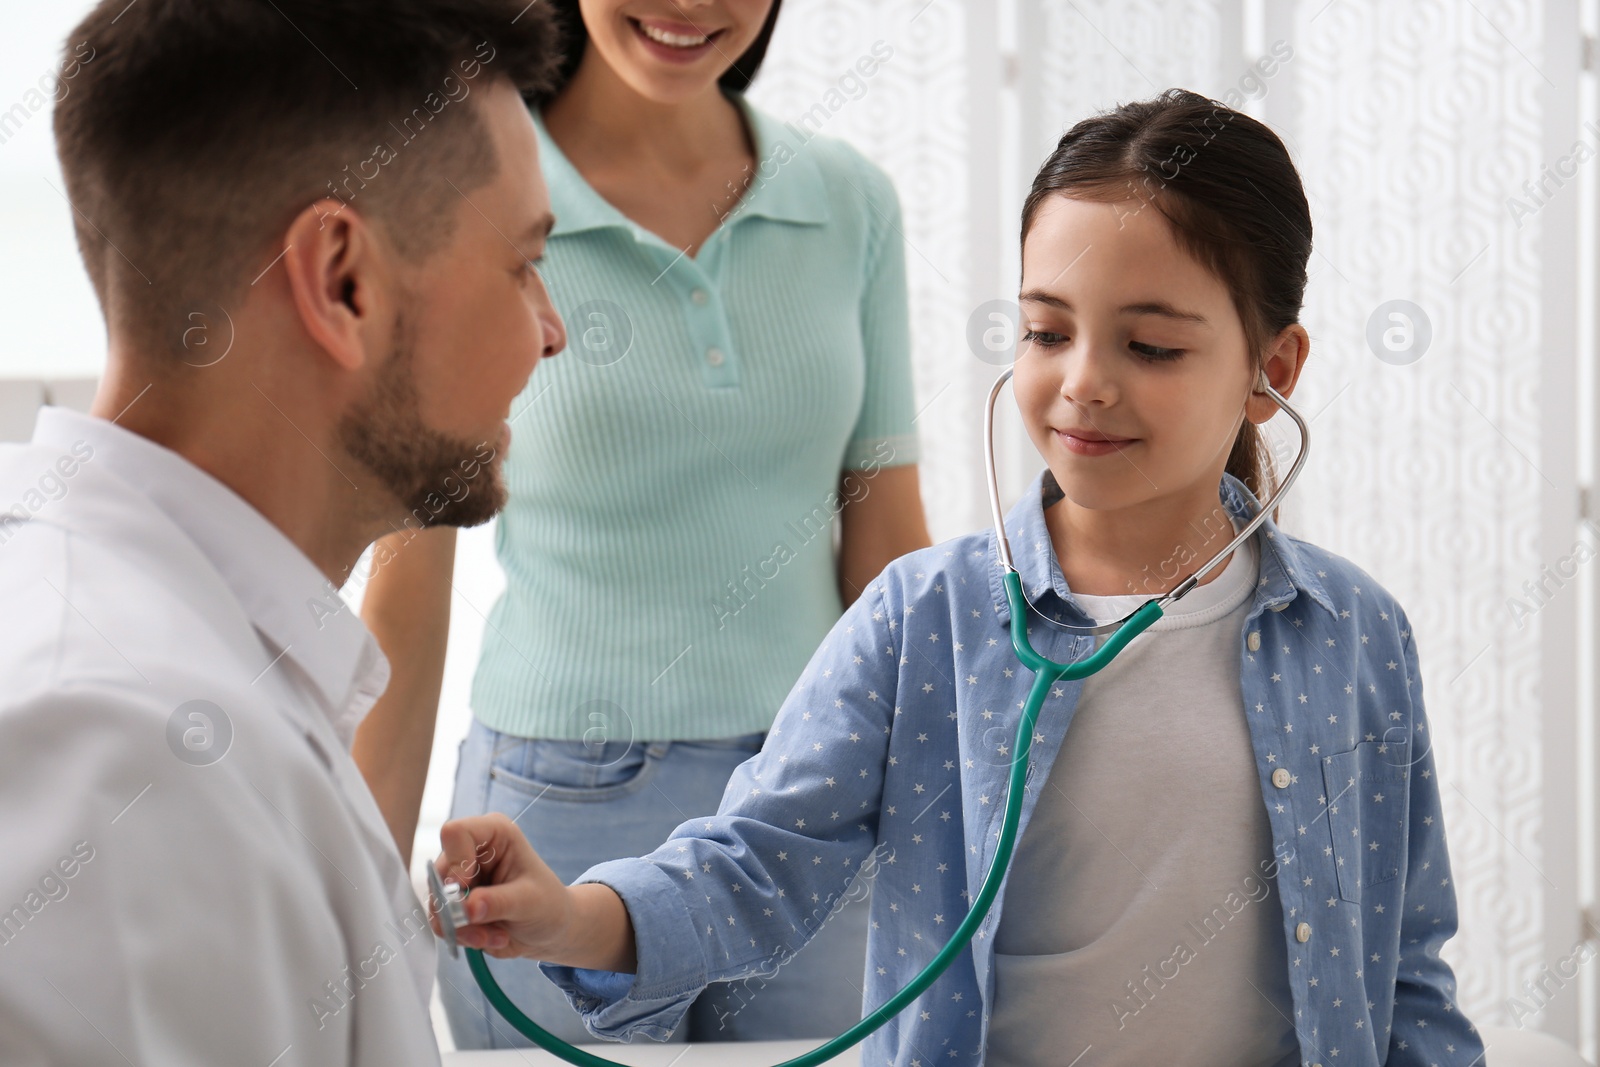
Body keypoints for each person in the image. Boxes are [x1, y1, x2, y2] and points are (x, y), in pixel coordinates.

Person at [431, 90, 1486, 1067]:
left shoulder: (1352, 631)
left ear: (1274, 371)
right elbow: (758, 859)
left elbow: (1403, 960)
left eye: (1151, 346)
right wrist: (571, 915)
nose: (1082, 383)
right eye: (1044, 331)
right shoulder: (923, 619)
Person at [352, 0, 931, 1048]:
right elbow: (406, 589)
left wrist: (947, 811)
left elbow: (888, 550)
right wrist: (341, 903)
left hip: (813, 800)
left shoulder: (851, 203)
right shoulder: (461, 187)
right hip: (554, 814)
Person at [0, 2, 564, 1063]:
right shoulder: (114, 764)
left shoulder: (193, 667)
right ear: (342, 280)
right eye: (521, 263)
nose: (551, 328)